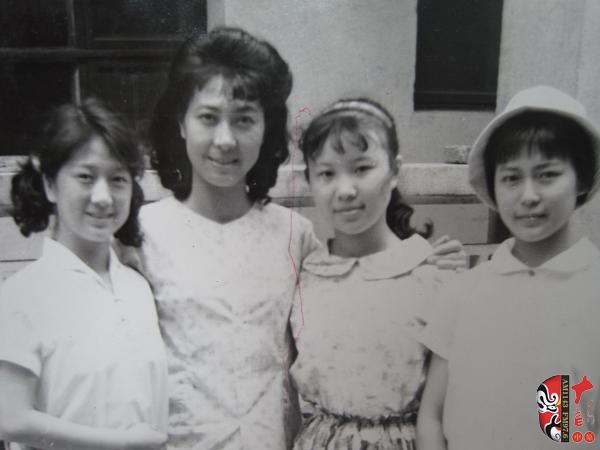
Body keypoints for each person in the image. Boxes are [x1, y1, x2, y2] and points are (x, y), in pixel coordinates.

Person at [122, 27, 466, 449]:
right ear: (181, 122)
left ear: (266, 127)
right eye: (208, 118)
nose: (225, 140)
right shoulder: (143, 233)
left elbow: (358, 298)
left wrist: (427, 261)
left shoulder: (292, 234)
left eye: (244, 119)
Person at [416, 86, 600, 449]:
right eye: (511, 178)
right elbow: (432, 415)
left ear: (581, 178)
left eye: (547, 174)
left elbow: (569, 426)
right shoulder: (463, 292)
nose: (529, 196)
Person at [0, 99, 168, 450]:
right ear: (50, 184)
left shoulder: (137, 288)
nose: (103, 197)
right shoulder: (22, 294)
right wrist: (118, 444)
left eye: (118, 179)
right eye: (85, 177)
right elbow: (10, 418)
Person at [288, 98, 455, 449]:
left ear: (394, 171)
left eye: (362, 168)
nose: (345, 190)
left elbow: (443, 411)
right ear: (310, 181)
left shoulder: (432, 274)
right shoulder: (303, 278)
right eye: (327, 174)